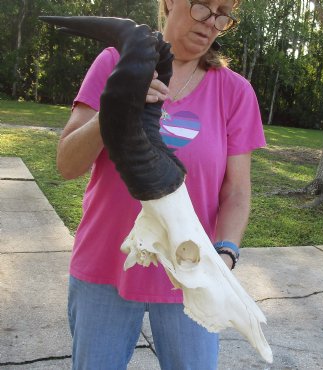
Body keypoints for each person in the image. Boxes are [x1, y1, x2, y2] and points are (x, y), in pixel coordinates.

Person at [57, 0, 266, 369]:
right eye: (202, 6)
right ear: (169, 2)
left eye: (223, 14)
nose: (211, 23)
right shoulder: (114, 62)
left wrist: (226, 253)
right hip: (105, 266)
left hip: (191, 274)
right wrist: (117, 102)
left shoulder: (235, 91)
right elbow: (68, 164)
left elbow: (236, 190)